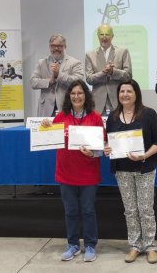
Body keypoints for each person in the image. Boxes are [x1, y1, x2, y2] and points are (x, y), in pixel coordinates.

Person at [41, 80, 105, 262]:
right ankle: (73, 245)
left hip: (88, 174)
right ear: (69, 96)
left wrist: (93, 153)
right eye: (73, 93)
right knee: (70, 211)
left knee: (88, 211)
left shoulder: (95, 118)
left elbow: (102, 147)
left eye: (80, 93)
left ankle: (91, 245)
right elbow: (49, 139)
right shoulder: (61, 117)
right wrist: (45, 127)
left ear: (86, 95)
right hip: (66, 173)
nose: (76, 96)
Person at [104, 79, 157, 264]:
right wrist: (107, 148)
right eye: (122, 91)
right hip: (122, 170)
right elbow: (109, 142)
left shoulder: (148, 114)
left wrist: (144, 155)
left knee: (145, 209)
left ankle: (150, 246)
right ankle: (135, 245)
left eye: (129, 91)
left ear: (136, 93)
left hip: (144, 168)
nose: (125, 94)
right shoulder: (113, 117)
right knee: (130, 210)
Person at [31, 34, 84, 117]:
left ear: (65, 46)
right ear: (49, 47)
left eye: (59, 46)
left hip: (66, 107)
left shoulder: (74, 62)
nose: (56, 48)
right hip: (46, 109)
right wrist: (49, 81)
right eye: (53, 46)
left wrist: (59, 75)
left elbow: (78, 81)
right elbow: (33, 82)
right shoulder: (42, 62)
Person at [85, 24, 132, 115]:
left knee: (119, 129)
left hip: (118, 101)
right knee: (98, 129)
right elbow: (89, 79)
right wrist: (103, 72)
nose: (104, 37)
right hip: (98, 104)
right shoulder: (90, 55)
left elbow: (128, 76)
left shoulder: (123, 52)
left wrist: (113, 72)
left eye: (107, 34)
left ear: (112, 36)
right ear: (98, 36)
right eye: (101, 34)